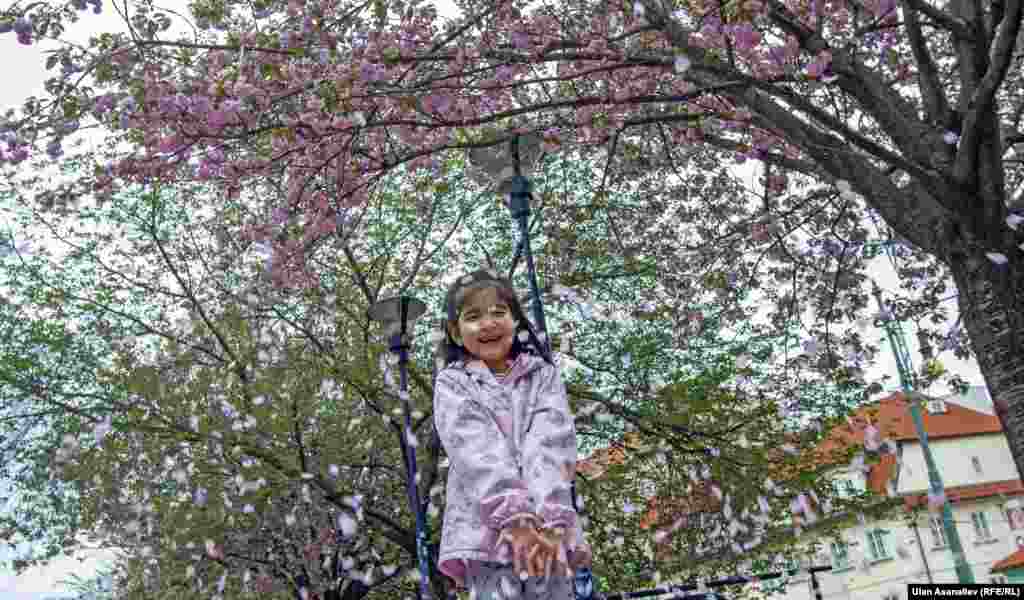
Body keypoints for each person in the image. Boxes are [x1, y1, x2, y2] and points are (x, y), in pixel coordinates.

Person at [433, 268, 591, 600]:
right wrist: (515, 518)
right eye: (473, 316)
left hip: (548, 533)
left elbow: (552, 445)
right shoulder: (453, 383)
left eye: (499, 312)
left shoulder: (543, 376)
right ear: (456, 332)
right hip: (486, 534)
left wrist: (548, 520)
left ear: (515, 321)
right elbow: (475, 451)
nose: (488, 323)